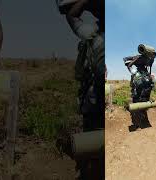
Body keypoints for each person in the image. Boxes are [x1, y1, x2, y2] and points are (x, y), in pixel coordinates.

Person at [56, 0, 104, 179]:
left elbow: (71, 16)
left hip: (93, 107)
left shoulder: (91, 35)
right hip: (99, 106)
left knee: (93, 157)